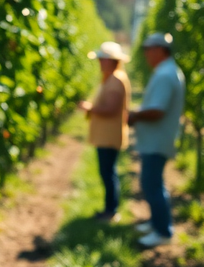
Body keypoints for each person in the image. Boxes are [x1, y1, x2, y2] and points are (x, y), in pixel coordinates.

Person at [127, 32, 186, 247]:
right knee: (153, 182)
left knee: (152, 184)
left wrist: (135, 115)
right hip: (157, 138)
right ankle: (156, 223)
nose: (146, 55)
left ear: (160, 50)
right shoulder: (167, 71)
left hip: (157, 140)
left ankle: (163, 232)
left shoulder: (165, 74)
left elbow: (157, 111)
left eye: (148, 50)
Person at [79, 41, 132, 223]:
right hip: (106, 134)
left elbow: (111, 109)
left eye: (103, 59)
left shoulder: (115, 80)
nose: (100, 63)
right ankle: (109, 209)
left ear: (111, 61)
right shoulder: (111, 78)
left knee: (108, 172)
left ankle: (111, 211)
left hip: (109, 136)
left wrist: (90, 108)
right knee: (107, 172)